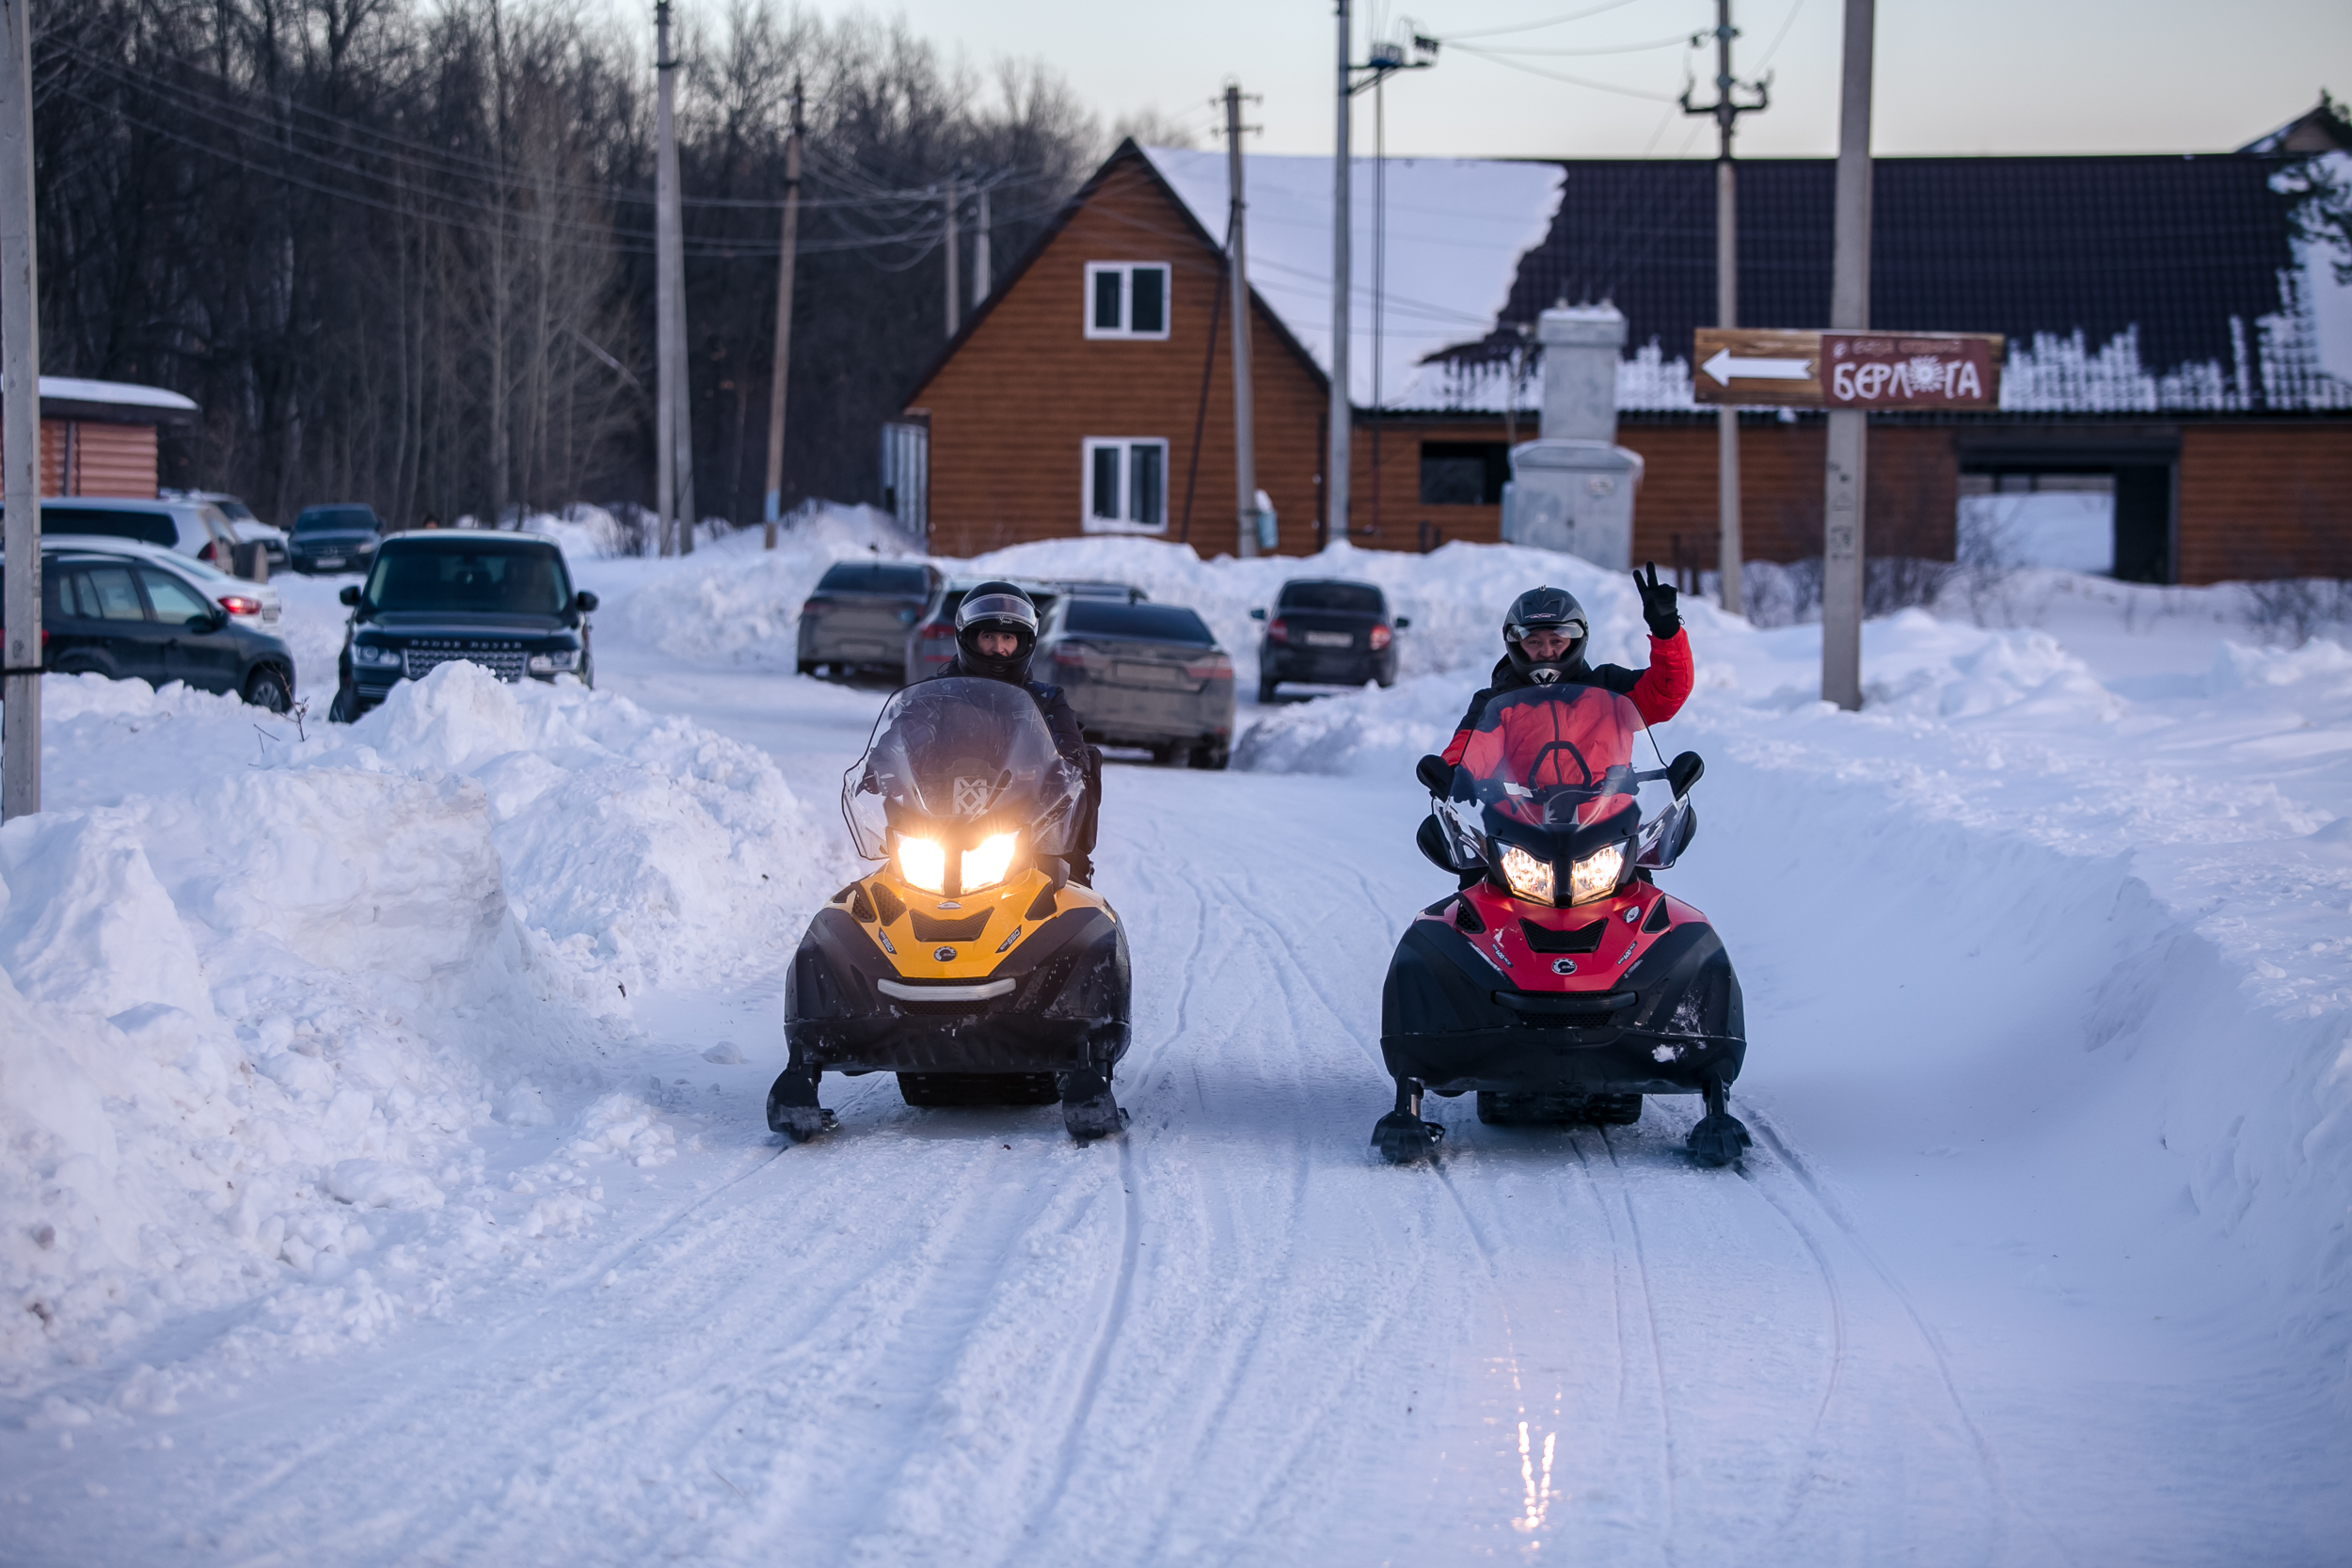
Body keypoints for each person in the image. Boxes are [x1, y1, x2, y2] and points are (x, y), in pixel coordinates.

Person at [1435, 565, 1693, 772]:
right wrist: (1455, 771)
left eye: (1556, 641)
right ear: (1515, 644)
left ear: (1576, 642)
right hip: (1521, 828)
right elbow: (1473, 746)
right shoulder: (1496, 702)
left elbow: (1667, 692)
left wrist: (1667, 633)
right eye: (1534, 642)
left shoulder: (1610, 687)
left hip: (1611, 824)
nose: (1546, 651)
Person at [938, 580, 1102, 885]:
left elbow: (1069, 746)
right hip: (936, 823)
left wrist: (1067, 764)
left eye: (1008, 638)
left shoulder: (1047, 699)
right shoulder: (938, 696)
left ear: (1023, 642)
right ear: (969, 639)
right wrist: (884, 764)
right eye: (988, 636)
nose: (998, 648)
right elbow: (902, 736)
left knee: (1074, 897)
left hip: (1024, 824)